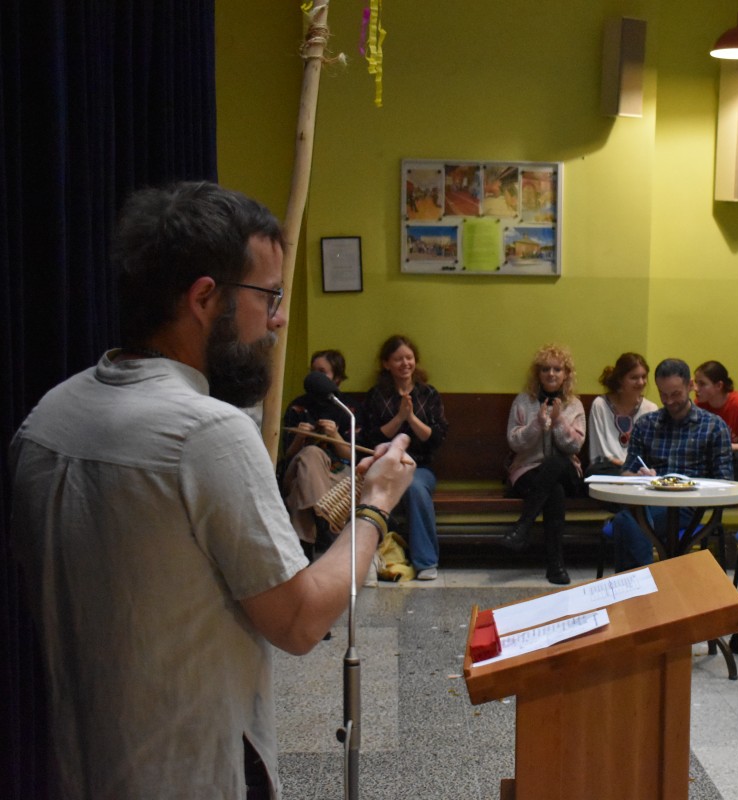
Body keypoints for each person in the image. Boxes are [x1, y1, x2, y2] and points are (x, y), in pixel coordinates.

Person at [8, 181, 416, 798]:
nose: (279, 318)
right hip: (187, 773)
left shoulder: (47, 415)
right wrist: (377, 505)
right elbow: (300, 621)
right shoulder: (207, 433)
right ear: (204, 297)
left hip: (69, 765)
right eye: (269, 296)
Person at [611, 358, 734, 572]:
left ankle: (641, 585)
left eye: (675, 394)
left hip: (690, 505)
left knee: (627, 521)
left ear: (690, 386)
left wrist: (691, 486)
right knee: (630, 518)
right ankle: (648, 583)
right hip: (651, 500)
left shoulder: (713, 426)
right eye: (663, 394)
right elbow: (627, 471)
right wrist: (640, 477)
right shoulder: (646, 424)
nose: (669, 401)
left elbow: (725, 481)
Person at [361, 334, 449, 581]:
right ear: (386, 363)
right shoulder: (377, 395)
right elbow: (370, 438)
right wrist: (399, 417)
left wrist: (411, 417)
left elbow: (436, 438)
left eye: (409, 358)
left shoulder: (428, 394)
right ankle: (371, 560)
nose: (405, 363)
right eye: (398, 359)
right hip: (384, 466)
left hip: (419, 468)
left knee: (415, 488)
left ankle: (426, 562)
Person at [503, 343, 587, 584]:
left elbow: (575, 446)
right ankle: (555, 567)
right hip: (529, 471)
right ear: (538, 374)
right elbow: (514, 443)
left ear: (566, 374)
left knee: (557, 463)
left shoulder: (574, 404)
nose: (551, 374)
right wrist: (536, 425)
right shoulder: (523, 401)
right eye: (545, 369)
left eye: (557, 369)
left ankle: (523, 526)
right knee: (554, 491)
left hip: (567, 471)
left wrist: (559, 422)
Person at [280, 349, 357, 559]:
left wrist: (334, 435)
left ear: (337, 378)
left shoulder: (348, 408)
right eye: (313, 371)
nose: (315, 376)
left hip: (338, 476)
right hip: (297, 470)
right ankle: (325, 522)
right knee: (312, 453)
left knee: (300, 490)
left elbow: (354, 457)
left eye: (322, 372)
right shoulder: (298, 406)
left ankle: (305, 553)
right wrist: (299, 438)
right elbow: (287, 456)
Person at [587, 352, 657, 476]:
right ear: (620, 379)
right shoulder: (600, 405)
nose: (641, 382)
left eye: (644, 377)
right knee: (594, 470)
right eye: (634, 378)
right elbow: (599, 453)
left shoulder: (650, 409)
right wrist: (625, 470)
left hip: (639, 470)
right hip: (609, 469)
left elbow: (650, 452)